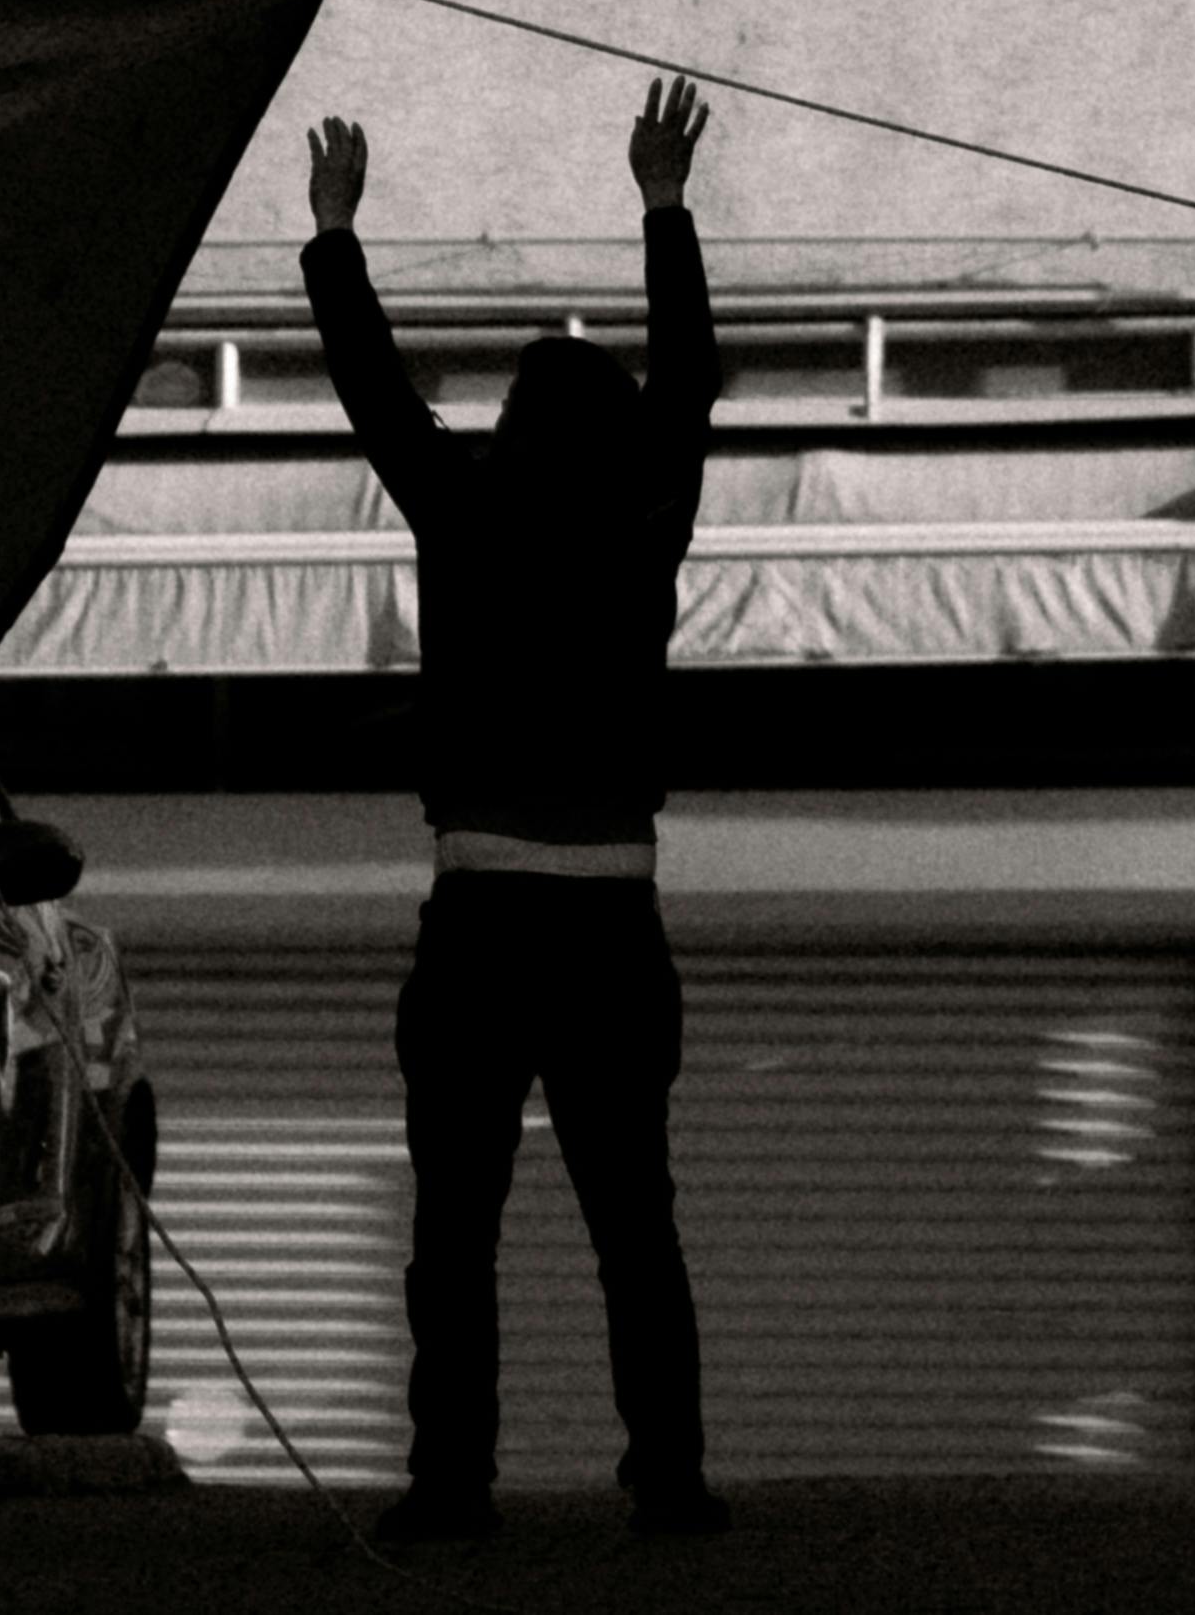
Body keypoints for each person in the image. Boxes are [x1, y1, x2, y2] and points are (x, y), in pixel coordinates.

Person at [304, 82, 726, 1544]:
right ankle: (666, 1477)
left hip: (480, 911)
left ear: (516, 425)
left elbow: (375, 391)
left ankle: (448, 1482)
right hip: (613, 911)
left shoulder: (464, 505)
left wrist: (338, 237)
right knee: (635, 1223)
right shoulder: (643, 514)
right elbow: (693, 381)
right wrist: (664, 208)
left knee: (454, 1227)